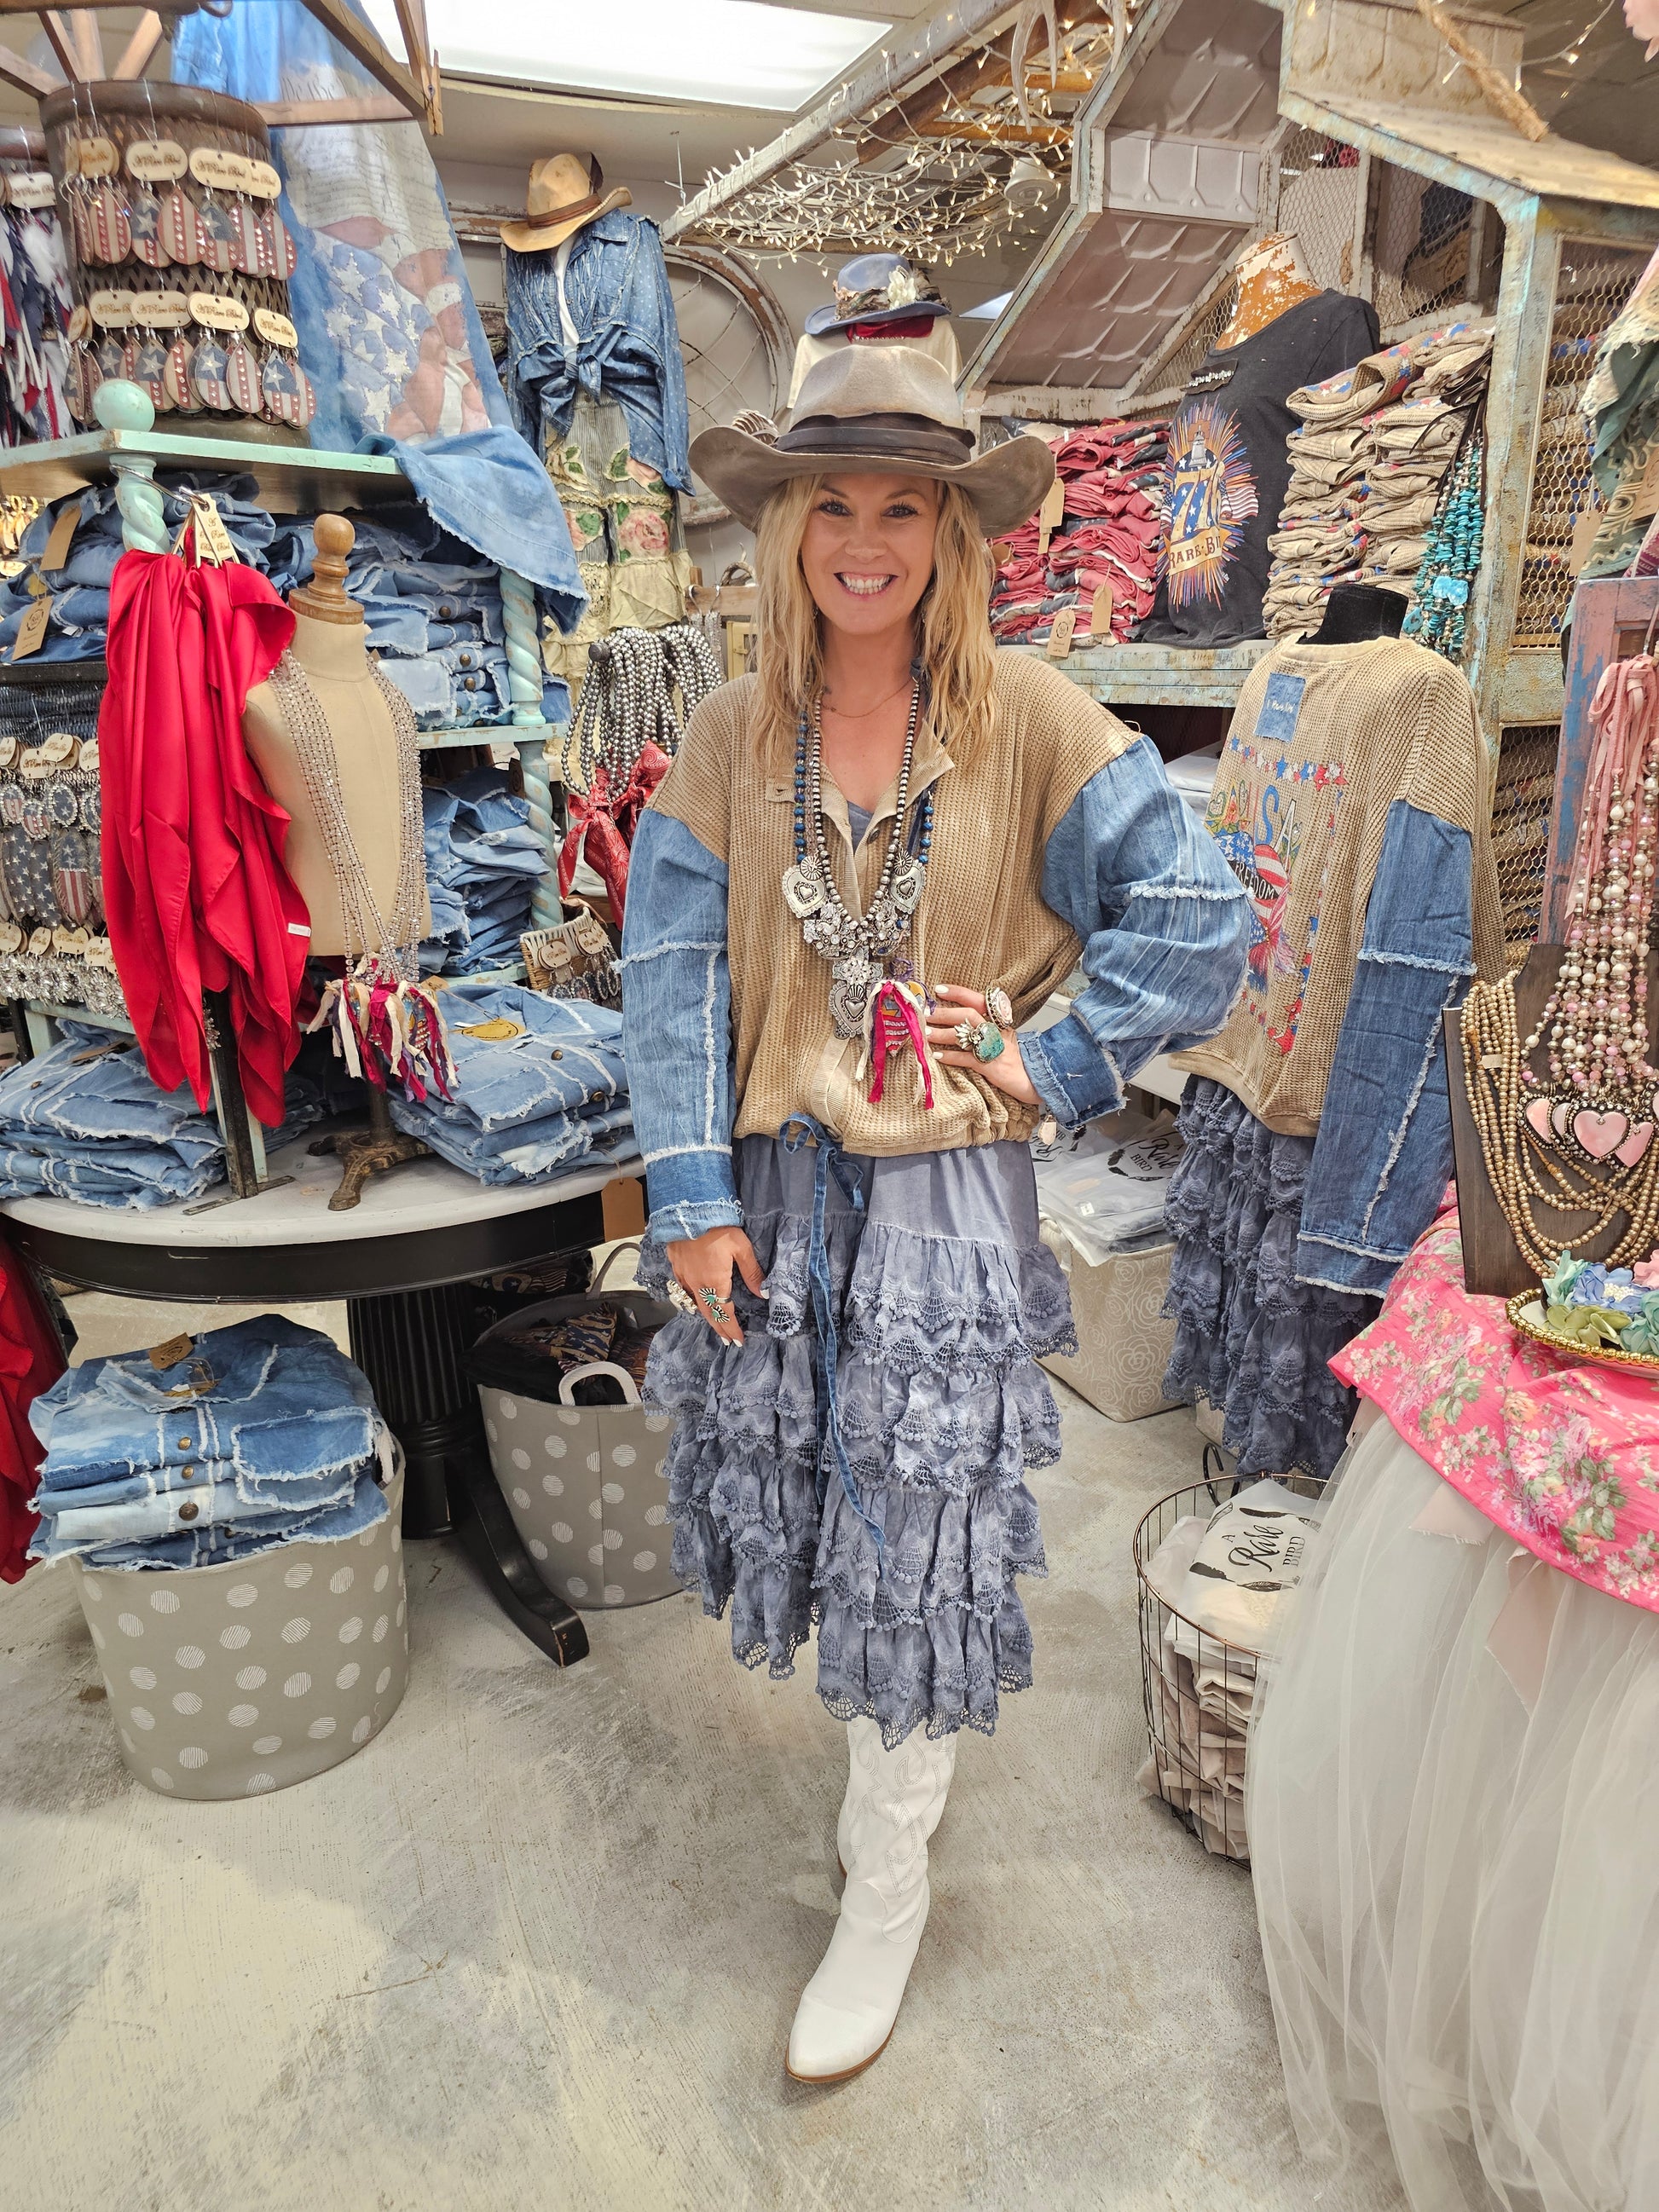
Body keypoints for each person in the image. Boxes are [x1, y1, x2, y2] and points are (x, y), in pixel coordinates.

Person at [621, 348, 1249, 2083]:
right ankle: (876, 1804)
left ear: (952, 532)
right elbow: (667, 971)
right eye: (833, 501)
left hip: (943, 1204)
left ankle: (887, 1877)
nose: (865, 538)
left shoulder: (1029, 716)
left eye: (904, 505)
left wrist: (1047, 1058)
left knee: (915, 1534)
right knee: (805, 1512)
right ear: (786, 527)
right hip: (771, 1183)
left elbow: (1199, 920)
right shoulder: (731, 734)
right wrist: (686, 1191)